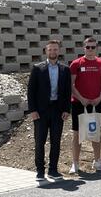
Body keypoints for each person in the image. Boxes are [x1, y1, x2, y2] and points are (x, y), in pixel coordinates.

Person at [27, 39, 71, 181]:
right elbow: (31, 91)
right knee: (40, 141)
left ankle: (53, 170)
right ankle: (40, 171)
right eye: (50, 49)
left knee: (56, 141)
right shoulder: (37, 68)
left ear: (59, 51)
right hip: (40, 112)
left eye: (55, 49)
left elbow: (67, 92)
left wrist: (66, 109)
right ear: (46, 51)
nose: (53, 52)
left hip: (58, 111)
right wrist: (32, 110)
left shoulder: (65, 69)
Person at [69, 37, 101, 174]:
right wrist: (81, 98)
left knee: (95, 133)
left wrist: (100, 97)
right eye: (88, 47)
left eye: (93, 47)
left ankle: (97, 161)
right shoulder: (76, 63)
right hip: (78, 104)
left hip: (96, 103)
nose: (90, 49)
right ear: (83, 48)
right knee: (77, 134)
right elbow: (71, 84)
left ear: (96, 48)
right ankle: (75, 163)